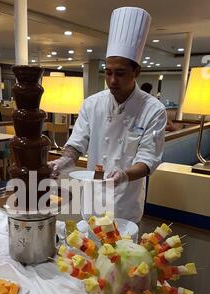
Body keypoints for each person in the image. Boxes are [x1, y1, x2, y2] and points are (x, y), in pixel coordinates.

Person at [49, 7, 167, 223]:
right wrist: (63, 161)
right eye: (108, 72)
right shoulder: (92, 103)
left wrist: (123, 175)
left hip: (125, 202)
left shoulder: (153, 109)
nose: (112, 80)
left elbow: (149, 159)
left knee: (121, 254)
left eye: (120, 73)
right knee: (87, 249)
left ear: (136, 71)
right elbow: (77, 143)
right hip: (92, 198)